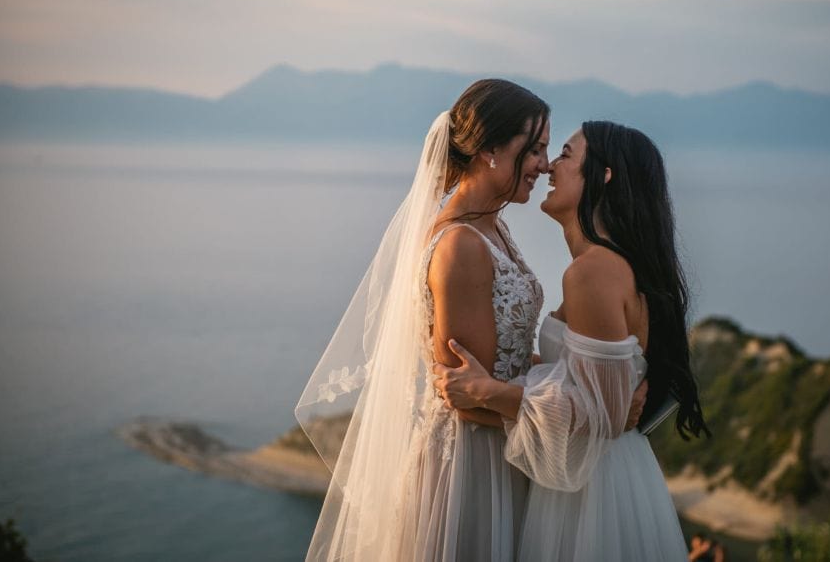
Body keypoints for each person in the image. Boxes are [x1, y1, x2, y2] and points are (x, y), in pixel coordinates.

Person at [295, 79, 550, 561]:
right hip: (474, 465)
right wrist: (568, 420)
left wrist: (571, 376)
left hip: (504, 447)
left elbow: (503, 362)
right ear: (490, 150)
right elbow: (466, 399)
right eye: (534, 149)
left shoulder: (491, 225)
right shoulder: (460, 245)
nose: (545, 164)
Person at [434, 121, 710, 561]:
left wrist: (487, 390)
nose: (548, 167)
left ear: (604, 176)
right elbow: (591, 384)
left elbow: (600, 413)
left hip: (591, 492)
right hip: (598, 474)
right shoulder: (609, 264)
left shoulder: (593, 271)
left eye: (564, 154)